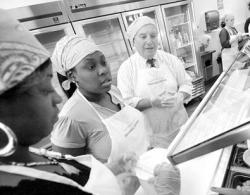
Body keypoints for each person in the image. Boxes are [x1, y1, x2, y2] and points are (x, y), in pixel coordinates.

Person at [0, 9, 124, 195]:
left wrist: (110, 174)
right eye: (43, 90)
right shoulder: (16, 187)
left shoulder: (33, 155)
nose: (58, 98)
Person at [50, 35, 150, 164]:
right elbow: (72, 173)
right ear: (72, 75)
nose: (103, 70)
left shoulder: (113, 92)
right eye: (91, 66)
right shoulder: (70, 119)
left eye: (103, 62)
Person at [117, 16, 192, 148]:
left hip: (180, 125)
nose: (149, 41)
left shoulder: (170, 59)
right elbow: (126, 103)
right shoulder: (126, 69)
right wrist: (151, 102)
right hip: (153, 135)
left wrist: (180, 96)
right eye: (143, 36)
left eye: (153, 35)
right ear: (133, 41)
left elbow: (186, 83)